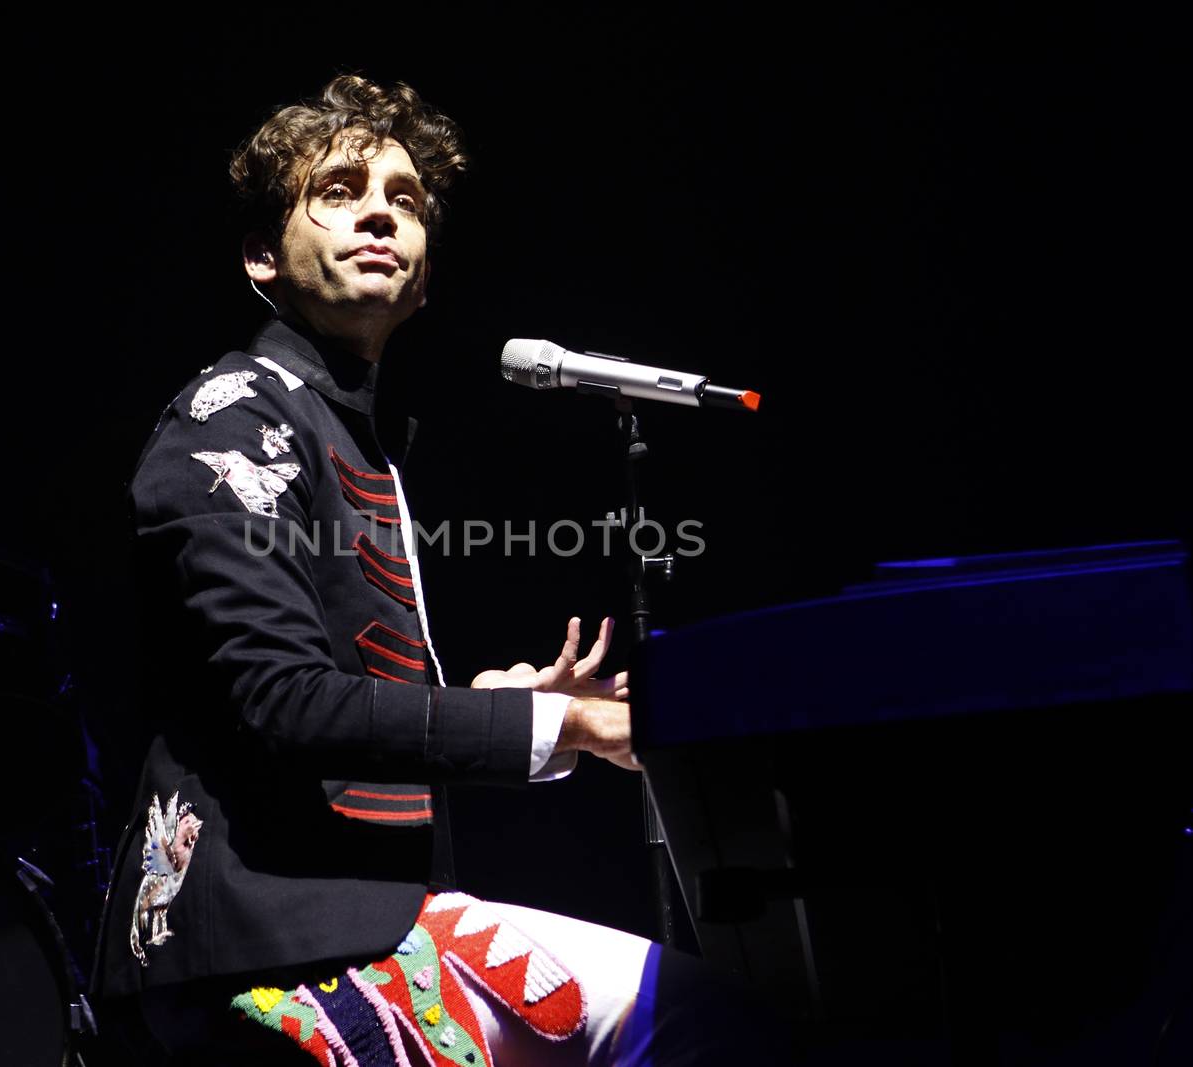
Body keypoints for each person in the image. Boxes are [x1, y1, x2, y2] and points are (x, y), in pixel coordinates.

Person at [92, 74, 784, 1067]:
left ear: (425, 277)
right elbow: (284, 703)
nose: (379, 208)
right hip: (265, 939)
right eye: (335, 191)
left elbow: (328, 711)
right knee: (704, 1017)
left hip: (356, 923)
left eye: (406, 199)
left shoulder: (350, 436)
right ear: (260, 254)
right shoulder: (233, 420)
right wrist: (563, 722)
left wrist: (481, 706)